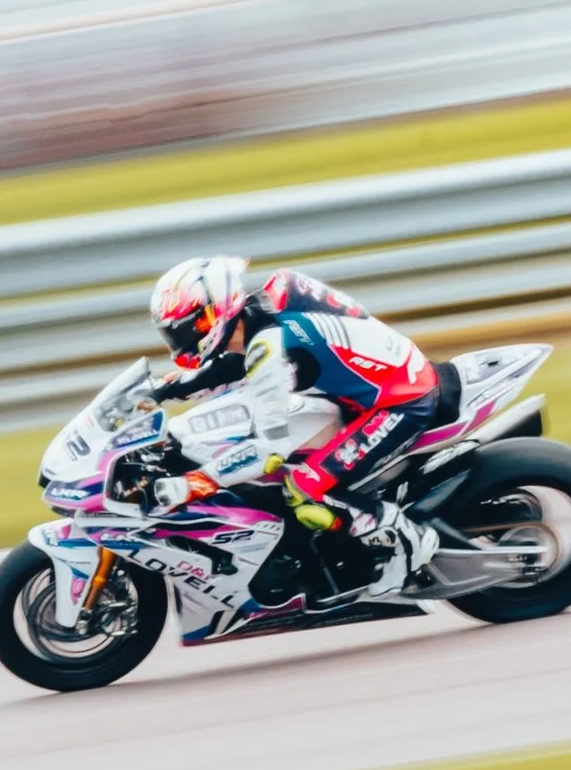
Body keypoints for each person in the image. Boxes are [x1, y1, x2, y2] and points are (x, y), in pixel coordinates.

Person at [147, 254, 442, 599]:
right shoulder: (260, 313)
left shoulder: (268, 347)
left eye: (191, 325)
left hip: (400, 401)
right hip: (367, 387)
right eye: (174, 331)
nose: (183, 337)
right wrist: (160, 389)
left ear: (221, 308)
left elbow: (268, 449)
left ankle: (406, 539)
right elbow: (229, 367)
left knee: (302, 487)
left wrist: (198, 482)